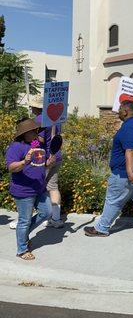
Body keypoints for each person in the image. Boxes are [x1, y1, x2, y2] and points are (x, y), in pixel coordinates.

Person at [84, 100, 133, 237]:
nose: (117, 112)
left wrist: (129, 171)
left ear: (125, 111)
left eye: (119, 109)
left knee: (113, 200)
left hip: (125, 174)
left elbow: (130, 150)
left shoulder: (129, 127)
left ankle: (102, 228)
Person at [6, 118, 53, 260]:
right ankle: (21, 250)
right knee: (24, 221)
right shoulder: (15, 147)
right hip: (24, 190)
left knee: (47, 212)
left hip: (39, 188)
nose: (36, 132)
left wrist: (48, 163)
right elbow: (11, 168)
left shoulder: (36, 144)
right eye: (32, 131)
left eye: (36, 130)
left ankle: (24, 235)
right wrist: (23, 161)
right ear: (24, 133)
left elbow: (40, 164)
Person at [31, 97, 64, 228]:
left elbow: (40, 140)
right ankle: (56, 219)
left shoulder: (39, 120)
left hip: (43, 158)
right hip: (56, 155)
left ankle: (27, 217)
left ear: (36, 108)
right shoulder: (56, 118)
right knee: (53, 186)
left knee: (34, 186)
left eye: (32, 106)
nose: (31, 108)